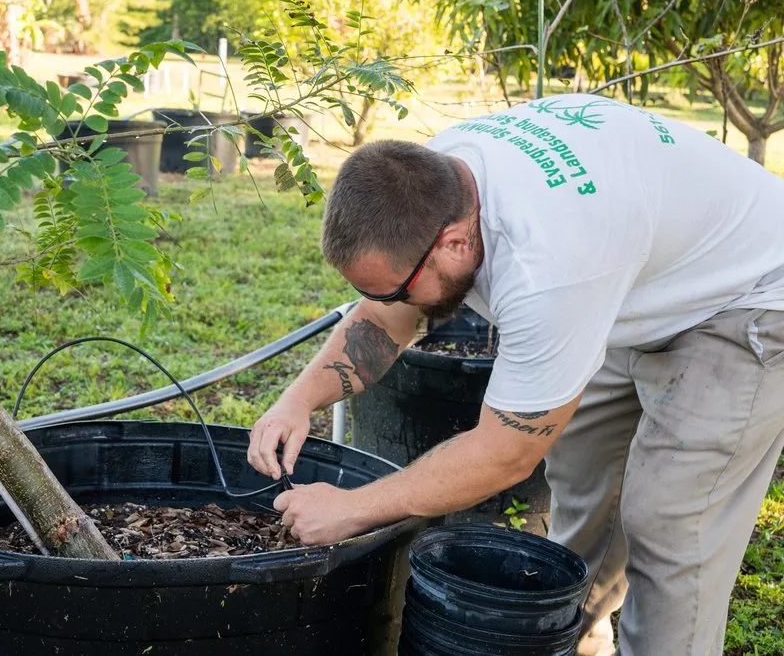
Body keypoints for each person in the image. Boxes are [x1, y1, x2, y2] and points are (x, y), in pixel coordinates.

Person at [246, 93, 784, 656]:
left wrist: (351, 508)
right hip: (642, 271)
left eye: (398, 288)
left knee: (671, 522)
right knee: (585, 479)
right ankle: (574, 639)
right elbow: (385, 317)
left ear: (454, 242)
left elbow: (504, 454)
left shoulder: (547, 267)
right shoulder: (436, 180)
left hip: (750, 298)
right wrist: (298, 401)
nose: (387, 302)